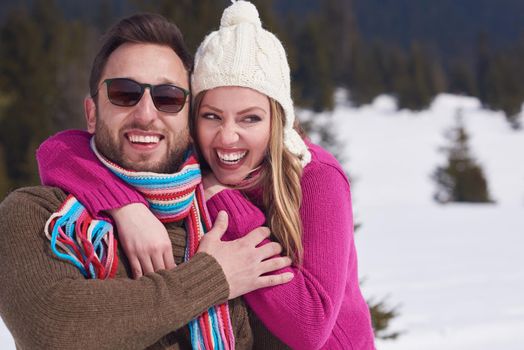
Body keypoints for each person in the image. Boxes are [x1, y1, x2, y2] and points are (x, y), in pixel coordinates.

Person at [36, 1, 376, 349]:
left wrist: (228, 206)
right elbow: (58, 151)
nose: (228, 137)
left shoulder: (315, 177)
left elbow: (310, 326)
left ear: (277, 120)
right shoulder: (191, 158)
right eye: (213, 116)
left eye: (250, 118)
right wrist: (126, 207)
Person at [0, 11, 296, 350]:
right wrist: (212, 278)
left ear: (190, 116)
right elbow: (54, 331)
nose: (145, 114)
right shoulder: (39, 215)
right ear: (92, 114)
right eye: (124, 94)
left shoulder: (234, 213)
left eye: (168, 97)